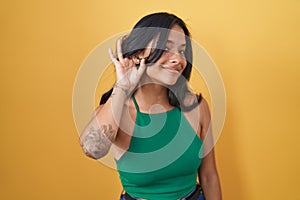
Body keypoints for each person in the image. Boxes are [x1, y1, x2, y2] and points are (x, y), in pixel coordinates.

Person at [79, 12, 222, 200]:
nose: (178, 59)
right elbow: (92, 149)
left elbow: (209, 177)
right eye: (166, 48)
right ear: (139, 53)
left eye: (182, 51)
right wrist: (123, 86)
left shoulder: (196, 107)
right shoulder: (118, 111)